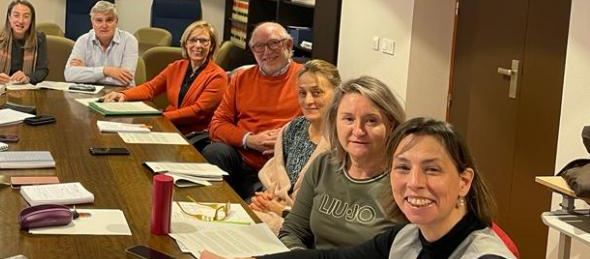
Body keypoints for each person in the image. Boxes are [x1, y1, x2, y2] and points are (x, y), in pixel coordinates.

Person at [203, 118, 516, 259]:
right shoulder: (407, 237)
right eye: (403, 167)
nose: (414, 182)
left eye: (432, 169)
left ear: (464, 181)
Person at [277, 76, 406, 250]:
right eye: (348, 119)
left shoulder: (404, 181)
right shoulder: (323, 165)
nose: (358, 131)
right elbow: (292, 231)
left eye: (371, 120)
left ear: (390, 125)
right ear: (334, 122)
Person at [203, 22, 304, 198]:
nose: (266, 52)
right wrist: (249, 139)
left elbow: (319, 130)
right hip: (241, 160)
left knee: (260, 207)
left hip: (280, 167)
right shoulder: (240, 78)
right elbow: (217, 125)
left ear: (288, 45)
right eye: (259, 46)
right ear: (252, 51)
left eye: (274, 43)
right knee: (214, 152)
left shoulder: (306, 79)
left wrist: (284, 142)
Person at [249, 59, 340, 233]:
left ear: (337, 93)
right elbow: (278, 177)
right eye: (302, 93)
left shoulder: (342, 141)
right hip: (275, 208)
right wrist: (269, 195)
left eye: (317, 92)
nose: (308, 100)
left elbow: (328, 207)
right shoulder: (294, 128)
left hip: (307, 226)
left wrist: (280, 209)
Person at [102, 20, 226, 133]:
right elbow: (151, 88)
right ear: (185, 44)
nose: (198, 45)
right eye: (193, 40)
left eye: (204, 41)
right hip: (169, 126)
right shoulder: (177, 66)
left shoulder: (218, 76)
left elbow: (197, 111)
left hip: (193, 134)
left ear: (211, 47)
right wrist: (124, 95)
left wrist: (160, 117)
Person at [63, 0, 139, 86]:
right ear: (92, 22)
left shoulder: (129, 41)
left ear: (116, 21)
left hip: (121, 94)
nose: (104, 25)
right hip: (89, 96)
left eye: (109, 20)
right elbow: (69, 75)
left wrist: (86, 70)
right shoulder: (82, 40)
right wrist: (106, 71)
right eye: (99, 20)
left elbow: (125, 80)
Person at [0, 0, 49, 84]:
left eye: (26, 16)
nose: (21, 21)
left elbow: (43, 70)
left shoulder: (39, 39)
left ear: (31, 20)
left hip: (26, 89)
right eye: (16, 15)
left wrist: (28, 77)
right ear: (9, 18)